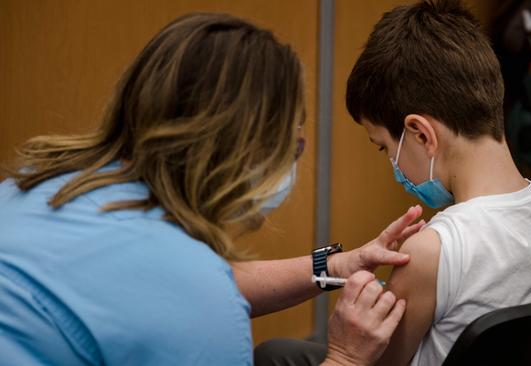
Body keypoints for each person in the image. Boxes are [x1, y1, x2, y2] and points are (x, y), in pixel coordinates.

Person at [0, 13, 425, 365]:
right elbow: (186, 292)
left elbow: (163, 285)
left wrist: (335, 267)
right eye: (292, 146)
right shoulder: (198, 308)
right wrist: (346, 359)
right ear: (248, 151)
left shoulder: (41, 183)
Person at [255, 1, 531, 365]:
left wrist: (347, 344)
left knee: (271, 354)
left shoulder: (432, 252)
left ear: (421, 134)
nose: (393, 167)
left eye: (384, 149)